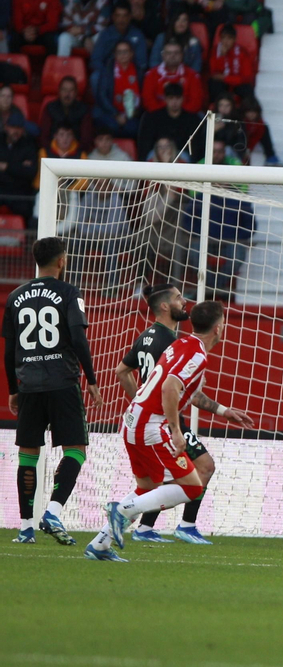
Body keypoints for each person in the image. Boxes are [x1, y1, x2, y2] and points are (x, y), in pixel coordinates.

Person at [85, 301, 235, 561]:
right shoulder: (197, 354)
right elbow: (169, 387)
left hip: (133, 420)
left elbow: (178, 389)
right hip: (151, 425)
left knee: (147, 486)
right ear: (219, 328)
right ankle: (122, 510)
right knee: (191, 487)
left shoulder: (181, 344)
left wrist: (223, 411)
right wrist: (176, 431)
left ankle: (99, 544)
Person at [5, 237, 102, 544]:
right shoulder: (69, 292)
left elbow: (9, 349)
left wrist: (13, 389)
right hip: (62, 382)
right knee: (75, 449)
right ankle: (53, 511)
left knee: (28, 454)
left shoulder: (15, 296)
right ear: (62, 261)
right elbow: (78, 337)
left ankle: (25, 527)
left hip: (29, 385)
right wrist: (92, 378)